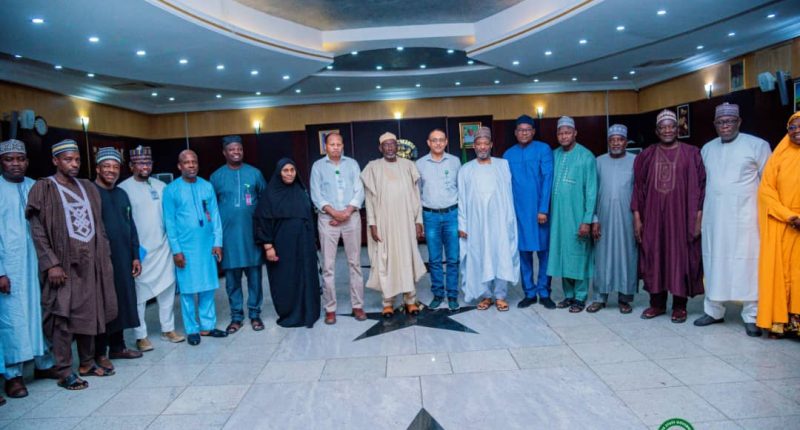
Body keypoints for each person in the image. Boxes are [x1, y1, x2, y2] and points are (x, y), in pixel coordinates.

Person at [26, 139, 118, 390]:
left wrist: (104, 258)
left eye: (77, 159)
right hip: (63, 266)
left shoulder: (87, 187)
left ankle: (87, 363)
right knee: (62, 318)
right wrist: (51, 264)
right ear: (55, 160)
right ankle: (64, 370)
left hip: (91, 263)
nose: (74, 164)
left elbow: (98, 226)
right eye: (68, 159)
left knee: (90, 312)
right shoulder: (44, 187)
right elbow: (37, 230)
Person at [696, 103, 771, 337]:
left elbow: (768, 183)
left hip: (746, 218)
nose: (725, 126)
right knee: (714, 262)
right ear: (715, 124)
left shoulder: (758, 146)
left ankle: (752, 315)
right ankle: (713, 311)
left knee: (747, 264)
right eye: (720, 122)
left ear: (739, 122)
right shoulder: (707, 149)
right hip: (715, 218)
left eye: (729, 121)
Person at [633, 110, 706, 323]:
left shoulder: (692, 153)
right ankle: (656, 304)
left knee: (679, 258)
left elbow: (701, 188)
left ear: (677, 129)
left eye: (671, 126)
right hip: (653, 219)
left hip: (682, 218)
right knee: (654, 256)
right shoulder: (646, 155)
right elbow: (638, 188)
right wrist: (637, 218)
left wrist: (698, 219)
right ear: (657, 131)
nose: (667, 130)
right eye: (663, 127)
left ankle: (679, 306)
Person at [0, 139, 57, 399]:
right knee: (13, 319)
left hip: (38, 263)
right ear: (1, 162)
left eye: (20, 159)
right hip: (10, 267)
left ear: (27, 161)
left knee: (41, 312)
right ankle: (13, 375)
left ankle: (44, 364)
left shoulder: (36, 186)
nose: (15, 164)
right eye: (9, 159)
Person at [118, 146, 185, 351]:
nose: (144, 167)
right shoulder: (123, 189)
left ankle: (168, 329)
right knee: (139, 295)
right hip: (141, 251)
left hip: (163, 247)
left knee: (167, 290)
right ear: (131, 166)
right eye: (140, 163)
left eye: (147, 163)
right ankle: (141, 336)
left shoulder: (161, 186)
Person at [162, 150, 226, 346]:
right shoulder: (171, 190)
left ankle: (208, 326)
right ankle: (192, 329)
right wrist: (176, 250)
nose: (191, 165)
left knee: (208, 286)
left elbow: (215, 215)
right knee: (188, 290)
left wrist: (218, 242)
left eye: (194, 162)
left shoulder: (207, 186)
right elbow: (169, 222)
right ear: (179, 166)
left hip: (207, 246)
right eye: (186, 162)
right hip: (186, 248)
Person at [361, 132, 427, 318]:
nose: (390, 147)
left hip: (406, 222)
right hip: (384, 223)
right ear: (380, 148)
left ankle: (410, 300)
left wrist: (418, 220)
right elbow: (369, 199)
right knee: (386, 260)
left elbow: (416, 197)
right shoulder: (373, 168)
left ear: (397, 147)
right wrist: (372, 223)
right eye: (386, 145)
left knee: (407, 259)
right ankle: (387, 302)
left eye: (393, 144)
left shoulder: (408, 166)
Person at [457, 127, 519, 311]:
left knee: (500, 255)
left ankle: (500, 296)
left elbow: (508, 194)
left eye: (485, 143)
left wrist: (509, 219)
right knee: (479, 256)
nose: (482, 147)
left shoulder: (503, 165)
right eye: (479, 144)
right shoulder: (465, 169)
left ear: (491, 145)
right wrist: (463, 224)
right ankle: (486, 295)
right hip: (475, 223)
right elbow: (462, 199)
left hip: (499, 221)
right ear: (474, 146)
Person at [210, 135, 267, 333]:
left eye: (239, 149)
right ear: (224, 152)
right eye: (232, 149)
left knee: (255, 279)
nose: (236, 152)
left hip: (252, 236)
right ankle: (236, 317)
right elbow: (211, 209)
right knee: (232, 282)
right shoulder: (216, 177)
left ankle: (255, 314)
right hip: (228, 238)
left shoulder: (255, 173)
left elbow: (265, 202)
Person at [93, 148, 143, 371]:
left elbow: (130, 225)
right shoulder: (91, 193)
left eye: (115, 167)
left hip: (123, 256)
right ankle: (100, 352)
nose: (111, 171)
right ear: (97, 168)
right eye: (106, 166)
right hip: (100, 258)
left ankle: (118, 346)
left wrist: (135, 255)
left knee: (122, 299)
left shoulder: (122, 193)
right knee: (104, 303)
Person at [254, 158, 320, 328]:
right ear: (279, 173)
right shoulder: (270, 194)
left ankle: (308, 311)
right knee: (286, 279)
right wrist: (268, 246)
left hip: (304, 244)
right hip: (282, 246)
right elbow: (262, 221)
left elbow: (309, 216)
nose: (290, 174)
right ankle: (290, 313)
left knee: (306, 276)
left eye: (292, 170)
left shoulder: (300, 191)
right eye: (285, 170)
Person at [310, 132, 366, 325]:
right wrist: (334, 213)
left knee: (355, 264)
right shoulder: (318, 166)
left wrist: (346, 212)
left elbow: (360, 190)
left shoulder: (352, 164)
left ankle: (358, 305)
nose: (335, 147)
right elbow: (316, 194)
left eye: (338, 144)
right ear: (326, 146)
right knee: (328, 266)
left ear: (343, 146)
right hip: (328, 219)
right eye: (332, 144)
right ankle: (330, 308)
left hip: (351, 218)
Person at [503, 115, 555, 309]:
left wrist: (543, 209)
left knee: (544, 253)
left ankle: (544, 292)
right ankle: (530, 293)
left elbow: (548, 179)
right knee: (523, 254)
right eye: (520, 130)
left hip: (539, 212)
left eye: (527, 130)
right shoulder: (508, 155)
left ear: (533, 131)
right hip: (519, 213)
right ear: (515, 133)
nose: (524, 133)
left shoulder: (543, 149)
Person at [547, 116, 598, 313]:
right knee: (563, 255)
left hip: (577, 216)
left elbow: (592, 191)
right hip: (558, 218)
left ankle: (580, 296)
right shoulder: (554, 155)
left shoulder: (586, 156)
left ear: (575, 133)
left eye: (567, 132)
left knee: (579, 255)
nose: (564, 136)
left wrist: (587, 220)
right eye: (560, 133)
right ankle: (568, 295)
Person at [756, 112, 800, 338]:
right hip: (783, 224)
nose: (796, 131)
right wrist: (789, 216)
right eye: (792, 127)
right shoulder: (779, 156)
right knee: (780, 275)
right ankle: (779, 323)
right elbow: (766, 191)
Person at [588, 125, 638, 314]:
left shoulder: (635, 161)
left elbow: (639, 191)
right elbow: (592, 192)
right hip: (603, 217)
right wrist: (594, 218)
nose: (616, 143)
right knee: (602, 258)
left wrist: (638, 219)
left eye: (620, 139)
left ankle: (625, 299)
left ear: (626, 142)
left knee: (627, 257)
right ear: (608, 142)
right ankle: (599, 298)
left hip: (627, 218)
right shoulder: (598, 161)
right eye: (612, 140)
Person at [416, 129, 461, 310]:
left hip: (452, 215)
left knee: (453, 258)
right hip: (430, 216)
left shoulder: (455, 161)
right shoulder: (419, 164)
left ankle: (452, 295)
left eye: (441, 140)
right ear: (428, 143)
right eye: (434, 140)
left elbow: (461, 189)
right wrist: (419, 220)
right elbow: (417, 194)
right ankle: (438, 293)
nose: (438, 143)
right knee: (434, 259)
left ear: (446, 141)